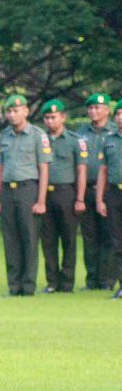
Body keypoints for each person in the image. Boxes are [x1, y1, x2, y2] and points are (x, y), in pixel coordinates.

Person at [0, 94, 50, 296]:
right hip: (8, 190)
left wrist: (41, 200)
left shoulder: (37, 135)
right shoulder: (4, 135)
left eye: (16, 111)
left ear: (26, 111)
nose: (12, 115)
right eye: (9, 111)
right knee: (11, 240)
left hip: (28, 189)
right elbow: (0, 168)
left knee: (29, 238)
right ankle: (14, 286)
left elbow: (44, 169)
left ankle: (28, 286)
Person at [37, 99, 85, 293]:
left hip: (66, 192)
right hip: (44, 193)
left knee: (69, 239)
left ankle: (67, 282)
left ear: (63, 117)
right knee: (48, 239)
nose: (50, 121)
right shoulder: (39, 139)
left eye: (53, 117)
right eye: (47, 118)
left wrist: (80, 198)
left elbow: (81, 170)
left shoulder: (75, 140)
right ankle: (52, 282)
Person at [78, 93, 114, 290]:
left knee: (109, 235)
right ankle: (92, 280)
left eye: (97, 108)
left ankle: (106, 280)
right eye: (90, 108)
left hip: (110, 191)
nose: (93, 111)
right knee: (89, 236)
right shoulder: (81, 133)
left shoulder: (115, 132)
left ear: (107, 110)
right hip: (87, 189)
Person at [96, 109, 122, 299]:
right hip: (114, 192)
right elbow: (103, 171)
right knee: (117, 241)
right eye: (118, 114)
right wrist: (100, 199)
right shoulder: (109, 140)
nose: (120, 117)